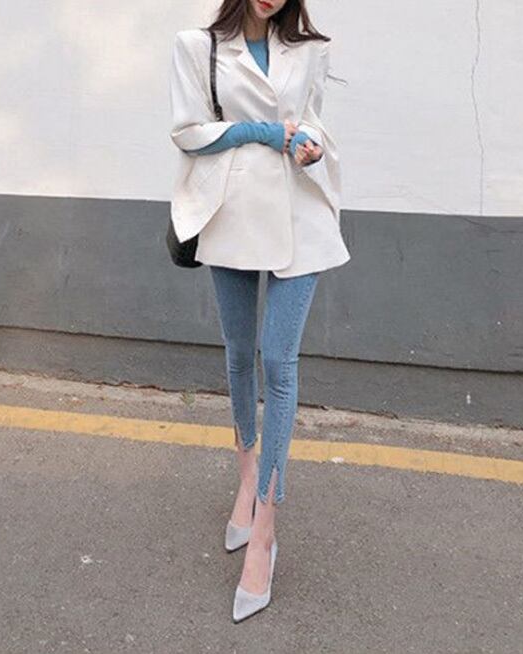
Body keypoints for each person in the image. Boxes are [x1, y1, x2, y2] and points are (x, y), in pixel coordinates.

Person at [168, 0, 350, 622]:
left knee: (279, 361)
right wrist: (260, 133)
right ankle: (246, 476)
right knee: (240, 354)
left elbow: (315, 122)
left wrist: (311, 147)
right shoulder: (196, 46)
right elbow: (188, 131)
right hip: (234, 212)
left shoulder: (312, 49)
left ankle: (265, 529)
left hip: (302, 216)